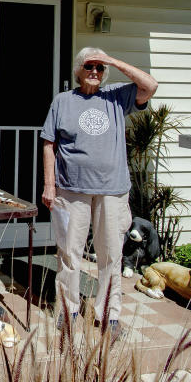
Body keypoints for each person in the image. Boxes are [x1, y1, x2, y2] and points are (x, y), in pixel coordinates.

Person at [41, 47, 158, 332]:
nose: (95, 71)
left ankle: (109, 313)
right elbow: (48, 143)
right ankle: (68, 311)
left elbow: (150, 85)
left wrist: (113, 59)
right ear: (78, 71)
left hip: (112, 191)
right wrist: (49, 185)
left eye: (100, 68)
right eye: (89, 66)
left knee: (111, 254)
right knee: (69, 252)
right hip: (71, 190)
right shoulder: (63, 101)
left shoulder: (117, 96)